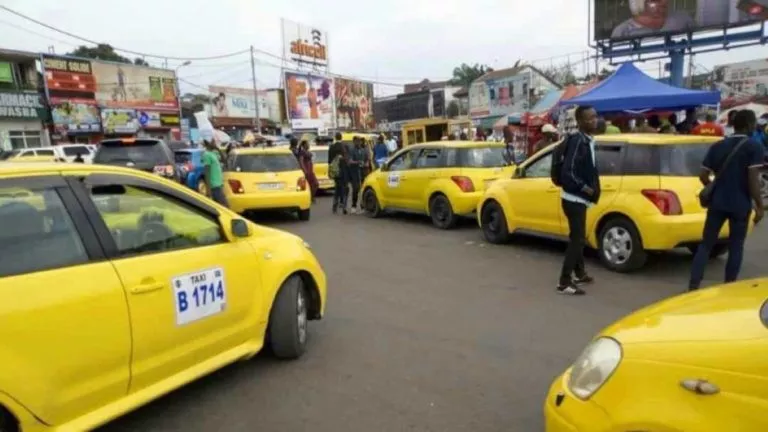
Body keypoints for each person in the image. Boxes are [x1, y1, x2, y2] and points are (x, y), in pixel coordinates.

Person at [688, 109, 765, 291]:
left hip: (717, 203)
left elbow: (703, 175)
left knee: (706, 245)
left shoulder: (717, 146)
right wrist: (759, 206)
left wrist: (714, 186)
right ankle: (728, 288)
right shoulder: (753, 147)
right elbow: (752, 178)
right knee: (736, 246)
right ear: (749, 125)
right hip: (740, 204)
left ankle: (694, 285)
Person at [557, 105, 600, 296]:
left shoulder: (587, 140)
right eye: (590, 118)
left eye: (595, 117)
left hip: (579, 198)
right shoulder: (577, 142)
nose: (594, 120)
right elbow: (568, 173)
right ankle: (564, 282)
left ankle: (580, 273)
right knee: (577, 239)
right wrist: (586, 188)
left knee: (578, 237)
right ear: (581, 122)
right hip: (573, 198)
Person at [611, 0, 695, 39]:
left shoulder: (682, 19)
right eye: (656, 0)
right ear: (639, 3)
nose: (664, 1)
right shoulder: (623, 32)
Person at [202, 140, 228, 207]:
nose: (215, 143)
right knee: (225, 205)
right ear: (208, 143)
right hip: (214, 186)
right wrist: (208, 189)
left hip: (219, 184)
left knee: (218, 207)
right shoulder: (206, 155)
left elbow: (224, 160)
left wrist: (218, 149)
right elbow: (207, 172)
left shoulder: (214, 153)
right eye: (213, 142)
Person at [329, 133, 348, 214]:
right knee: (344, 189)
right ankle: (344, 206)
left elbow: (329, 161)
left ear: (335, 138)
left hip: (335, 171)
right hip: (343, 171)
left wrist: (330, 171)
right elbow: (347, 160)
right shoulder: (344, 147)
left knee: (337, 188)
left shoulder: (332, 147)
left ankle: (334, 207)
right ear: (341, 137)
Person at [347, 137, 365, 213]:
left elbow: (365, 160)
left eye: (359, 141)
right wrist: (358, 162)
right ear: (354, 142)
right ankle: (353, 206)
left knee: (362, 189)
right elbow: (350, 161)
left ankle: (362, 206)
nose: (359, 143)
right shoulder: (351, 150)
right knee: (356, 189)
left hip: (362, 172)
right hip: (354, 173)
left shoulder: (362, 150)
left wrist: (365, 163)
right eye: (357, 141)